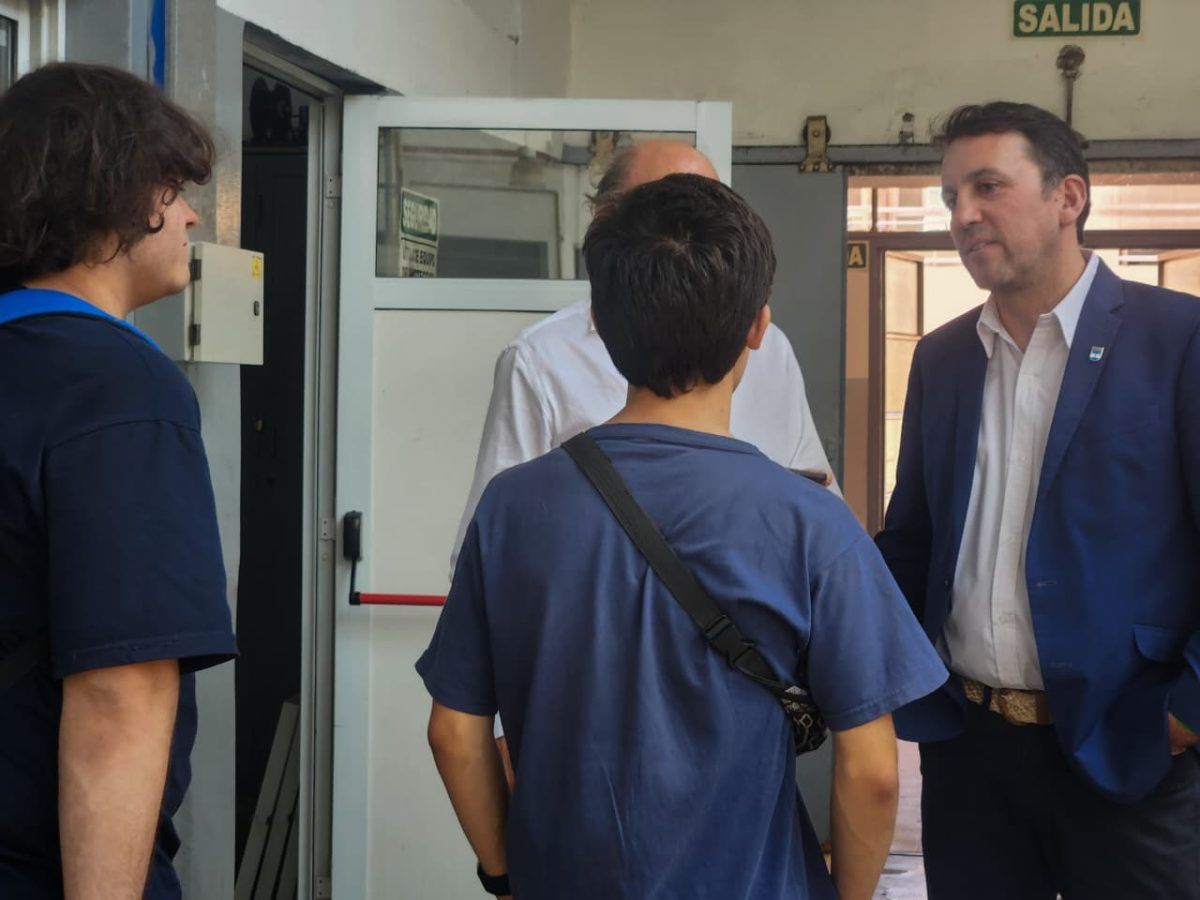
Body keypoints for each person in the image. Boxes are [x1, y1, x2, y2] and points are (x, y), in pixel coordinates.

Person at [418, 174, 947, 900]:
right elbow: (874, 770)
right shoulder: (809, 521)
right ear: (759, 327)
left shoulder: (514, 506)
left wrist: (502, 873)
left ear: (600, 320)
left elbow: (454, 731)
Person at [876, 101, 1200, 899]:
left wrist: (1185, 713)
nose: (964, 214)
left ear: (1070, 198)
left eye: (989, 186)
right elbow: (912, 540)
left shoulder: (1178, 340)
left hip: (1129, 746)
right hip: (969, 751)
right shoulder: (943, 358)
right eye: (951, 195)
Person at [0, 63, 238, 899]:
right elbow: (120, 693)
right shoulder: (117, 388)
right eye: (173, 188)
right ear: (115, 194)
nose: (191, 214)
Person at [451, 139, 835, 575]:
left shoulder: (770, 351)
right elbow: (488, 555)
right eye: (669, 211)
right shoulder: (538, 360)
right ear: (607, 225)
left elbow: (817, 494)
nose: (691, 240)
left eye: (711, 213)